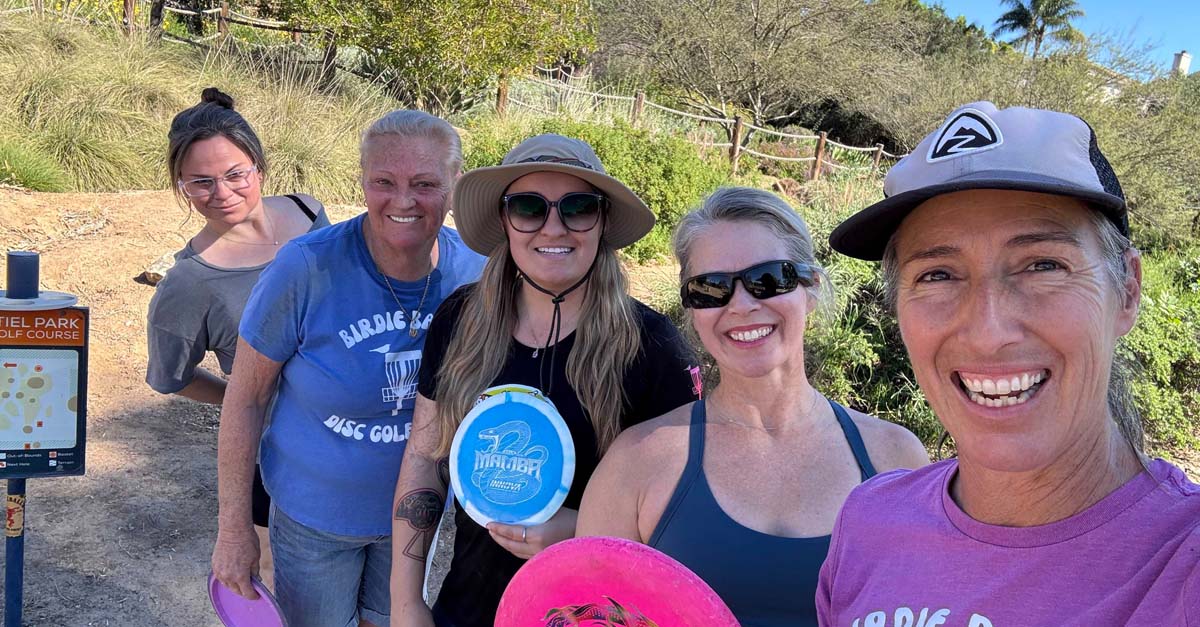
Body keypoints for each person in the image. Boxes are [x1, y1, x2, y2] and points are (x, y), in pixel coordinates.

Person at [817, 102, 1200, 626]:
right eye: (937, 274)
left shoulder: (1181, 566)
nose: (989, 332)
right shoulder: (868, 523)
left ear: (1127, 290)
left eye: (1043, 265)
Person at [575, 186, 929, 626]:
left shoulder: (897, 459)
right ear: (692, 309)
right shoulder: (637, 463)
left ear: (810, 288)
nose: (741, 305)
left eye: (768, 279)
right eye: (711, 288)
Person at [389, 134, 701, 627]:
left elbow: (685, 519)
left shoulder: (652, 347)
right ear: (505, 222)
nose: (553, 226)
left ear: (601, 223)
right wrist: (406, 604)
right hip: (466, 610)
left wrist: (583, 530)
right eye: (529, 207)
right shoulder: (460, 321)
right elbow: (424, 457)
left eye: (578, 207)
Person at [209, 109, 486, 627]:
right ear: (362, 181)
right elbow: (245, 399)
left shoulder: (476, 275)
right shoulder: (306, 267)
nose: (403, 201)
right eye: (384, 182)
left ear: (455, 185)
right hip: (313, 521)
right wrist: (234, 528)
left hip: (412, 521)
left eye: (425, 184)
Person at [146, 87, 330, 589]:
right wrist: (241, 399)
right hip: (275, 461)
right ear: (180, 186)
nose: (222, 193)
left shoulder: (308, 213)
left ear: (260, 167)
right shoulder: (189, 280)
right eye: (200, 182)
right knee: (278, 588)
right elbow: (171, 377)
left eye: (235, 174)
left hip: (355, 443)